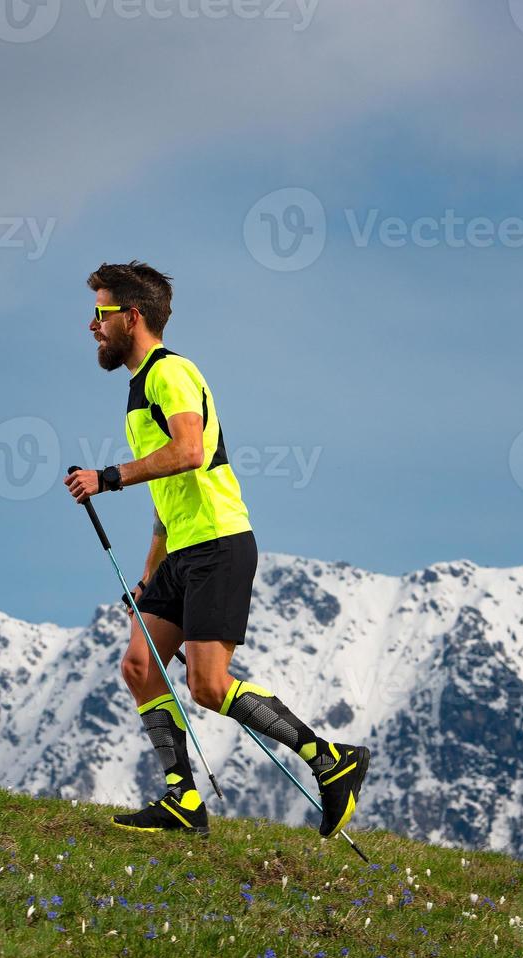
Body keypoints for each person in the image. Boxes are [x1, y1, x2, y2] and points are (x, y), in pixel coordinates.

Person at [63, 260, 369, 839]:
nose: (91, 326)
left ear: (131, 317)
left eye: (100, 314)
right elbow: (165, 494)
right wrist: (150, 577)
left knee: (208, 685)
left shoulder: (170, 373)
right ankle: (183, 801)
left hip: (219, 543)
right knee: (138, 665)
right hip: (182, 551)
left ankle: (331, 758)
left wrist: (106, 478)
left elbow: (189, 451)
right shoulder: (139, 389)